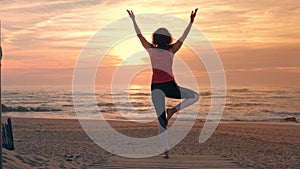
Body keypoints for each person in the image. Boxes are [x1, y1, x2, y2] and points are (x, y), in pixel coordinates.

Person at [127, 9, 200, 159]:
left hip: (156, 88)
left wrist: (133, 20)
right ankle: (173, 110)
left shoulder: (151, 50)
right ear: (167, 39)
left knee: (161, 121)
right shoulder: (172, 50)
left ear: (155, 39)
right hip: (169, 86)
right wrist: (191, 22)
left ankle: (166, 150)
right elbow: (183, 38)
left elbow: (139, 36)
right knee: (195, 97)